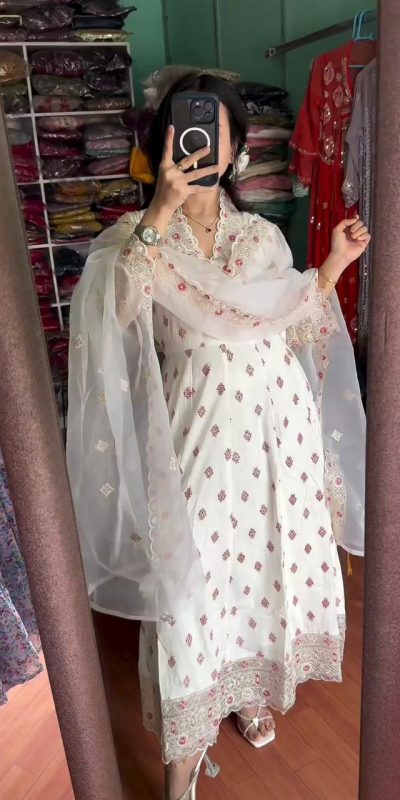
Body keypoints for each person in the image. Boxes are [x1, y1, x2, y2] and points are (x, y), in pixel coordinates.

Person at [67, 73, 369, 800]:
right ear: (162, 144)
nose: (201, 147)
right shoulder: (131, 240)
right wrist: (162, 210)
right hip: (195, 442)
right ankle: (182, 759)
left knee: (264, 571)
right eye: (185, 132)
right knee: (191, 591)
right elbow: (112, 320)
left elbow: (293, 319)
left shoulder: (260, 237)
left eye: (216, 135)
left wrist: (332, 262)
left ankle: (249, 690)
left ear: (235, 151)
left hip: (277, 441)